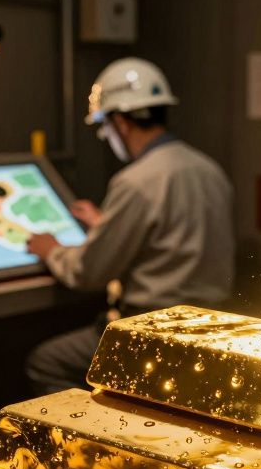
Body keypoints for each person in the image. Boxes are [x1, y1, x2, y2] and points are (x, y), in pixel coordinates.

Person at [25, 58, 234, 394]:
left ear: (120, 122)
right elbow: (173, 237)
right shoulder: (208, 169)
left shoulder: (135, 181)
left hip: (150, 334)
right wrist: (106, 225)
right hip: (212, 328)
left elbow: (88, 271)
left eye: (104, 127)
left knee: (46, 361)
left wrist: (52, 251)